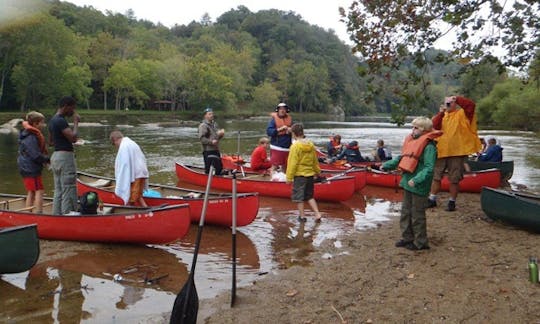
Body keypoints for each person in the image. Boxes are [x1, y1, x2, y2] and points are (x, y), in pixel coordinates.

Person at [382, 117, 441, 251]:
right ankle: (407, 238)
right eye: (412, 127)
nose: (412, 130)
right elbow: (401, 158)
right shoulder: (412, 142)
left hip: (418, 185)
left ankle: (421, 242)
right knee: (406, 212)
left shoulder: (429, 147)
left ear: (424, 130)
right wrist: (386, 166)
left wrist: (417, 179)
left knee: (417, 215)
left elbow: (429, 168)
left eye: (416, 128)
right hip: (408, 182)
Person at [428, 96, 482, 212]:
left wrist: (456, 98)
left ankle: (452, 201)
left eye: (450, 103)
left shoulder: (462, 114)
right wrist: (441, 113)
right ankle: (432, 199)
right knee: (436, 177)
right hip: (441, 152)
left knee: (454, 179)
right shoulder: (441, 116)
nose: (448, 105)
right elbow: (434, 126)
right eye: (446, 103)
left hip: (458, 152)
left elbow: (471, 106)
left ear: (455, 104)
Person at [48, 96, 80, 215]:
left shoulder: (52, 120)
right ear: (66, 106)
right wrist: (76, 123)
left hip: (55, 156)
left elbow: (51, 142)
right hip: (65, 157)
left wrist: (62, 140)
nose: (73, 111)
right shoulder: (60, 120)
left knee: (58, 189)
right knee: (69, 187)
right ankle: (68, 215)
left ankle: (57, 215)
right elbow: (73, 138)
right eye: (72, 108)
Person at [285, 123, 322, 223]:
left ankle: (302, 216)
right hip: (310, 175)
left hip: (299, 176)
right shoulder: (310, 145)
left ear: (293, 133)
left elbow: (292, 163)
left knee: (299, 198)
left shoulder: (295, 146)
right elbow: (315, 161)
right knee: (309, 196)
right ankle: (317, 214)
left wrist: (289, 178)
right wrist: (318, 172)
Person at [17, 111, 50, 213]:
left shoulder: (28, 135)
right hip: (31, 168)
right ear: (35, 124)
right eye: (42, 123)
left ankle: (28, 212)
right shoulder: (31, 137)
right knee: (39, 190)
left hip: (26, 166)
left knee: (31, 190)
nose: (43, 125)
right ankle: (38, 213)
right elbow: (35, 155)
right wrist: (48, 159)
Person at [110, 130, 149, 207]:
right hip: (141, 172)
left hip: (136, 174)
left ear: (115, 140)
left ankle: (130, 212)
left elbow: (124, 164)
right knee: (138, 195)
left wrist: (122, 178)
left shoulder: (124, 146)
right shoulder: (131, 142)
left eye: (114, 144)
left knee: (131, 198)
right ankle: (146, 208)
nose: (116, 146)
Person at [266, 102, 293, 171]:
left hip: (287, 147)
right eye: (280, 109)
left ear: (286, 110)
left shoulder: (290, 119)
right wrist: (279, 130)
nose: (282, 110)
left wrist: (291, 130)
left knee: (285, 166)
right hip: (277, 146)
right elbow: (269, 132)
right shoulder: (273, 120)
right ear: (278, 110)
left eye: (284, 109)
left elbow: (295, 131)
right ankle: (272, 180)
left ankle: (284, 180)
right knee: (274, 166)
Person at [198, 107, 225, 175]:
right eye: (209, 114)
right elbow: (202, 139)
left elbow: (216, 138)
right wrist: (211, 142)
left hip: (215, 149)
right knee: (208, 169)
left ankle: (218, 182)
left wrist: (221, 135)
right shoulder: (203, 126)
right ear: (205, 116)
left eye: (212, 114)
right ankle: (207, 182)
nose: (211, 115)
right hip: (208, 151)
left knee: (219, 169)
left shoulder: (214, 125)